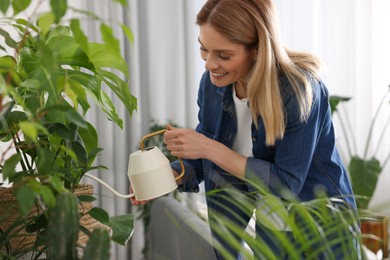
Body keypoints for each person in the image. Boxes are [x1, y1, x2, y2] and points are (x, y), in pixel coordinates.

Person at [132, 0, 358, 259]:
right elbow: (211, 157)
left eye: (224, 55)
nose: (208, 64)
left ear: (258, 49)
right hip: (271, 225)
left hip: (318, 229)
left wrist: (208, 148)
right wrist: (165, 177)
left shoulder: (299, 91)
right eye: (204, 49)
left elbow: (285, 185)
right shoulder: (213, 84)